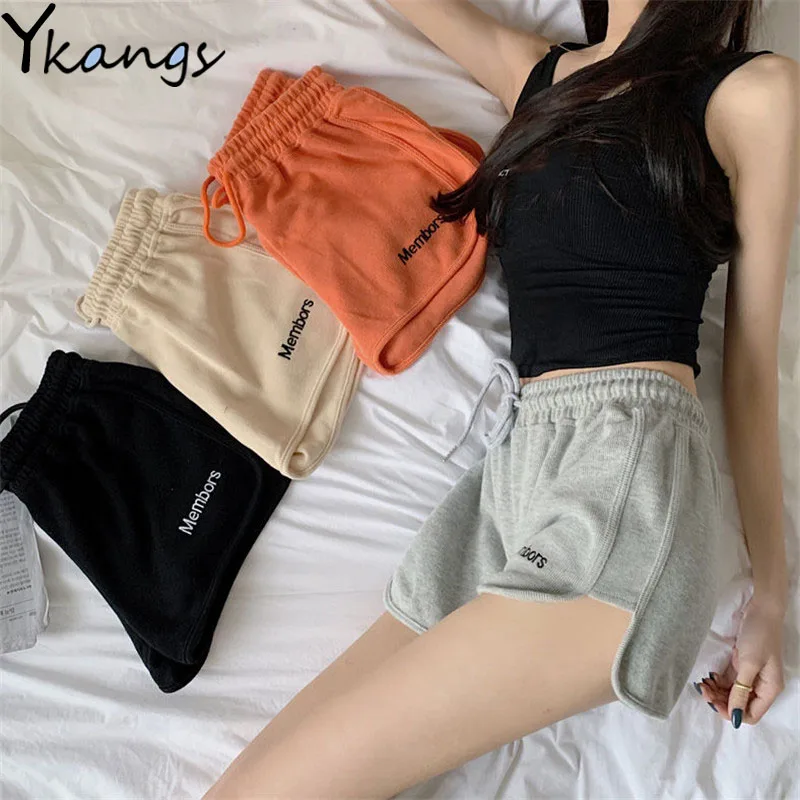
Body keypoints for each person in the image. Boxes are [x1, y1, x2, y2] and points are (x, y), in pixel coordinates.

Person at [204, 1, 798, 797]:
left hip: (627, 486)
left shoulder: (752, 92)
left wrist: (771, 598)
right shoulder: (542, 76)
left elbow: (752, 366)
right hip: (513, 480)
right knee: (246, 783)